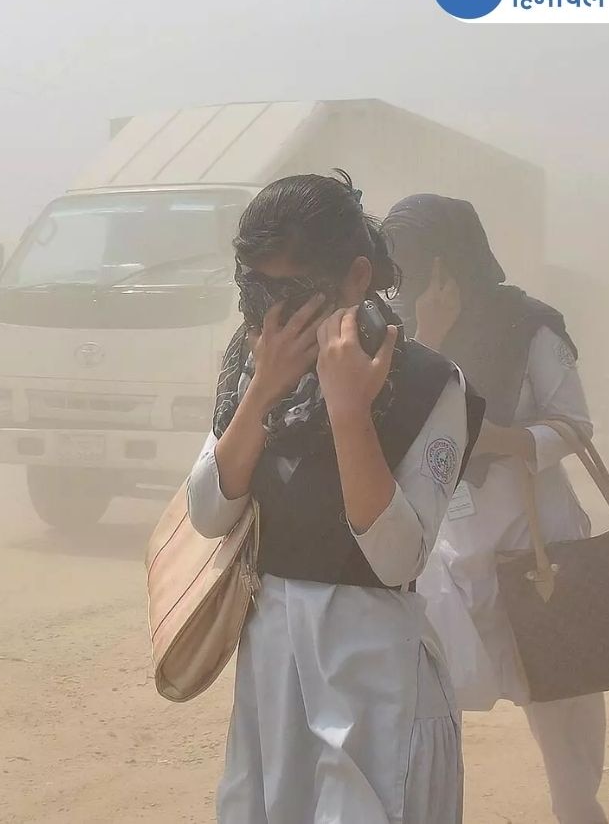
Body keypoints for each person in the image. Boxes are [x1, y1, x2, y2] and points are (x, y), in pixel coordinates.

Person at [188, 171, 483, 824]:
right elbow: (209, 512)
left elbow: (395, 559)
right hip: (273, 684)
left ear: (355, 279)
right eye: (255, 291)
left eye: (289, 292)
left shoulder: (430, 384)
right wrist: (262, 392)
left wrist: (350, 411)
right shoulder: (252, 365)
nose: (271, 317)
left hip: (375, 691)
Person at [382, 194, 607, 824]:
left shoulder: (529, 324)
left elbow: (576, 424)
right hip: (447, 550)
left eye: (419, 261)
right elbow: (390, 431)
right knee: (424, 705)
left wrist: (504, 441)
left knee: (563, 700)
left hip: (539, 539)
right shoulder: (395, 335)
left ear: (452, 259)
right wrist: (427, 337)